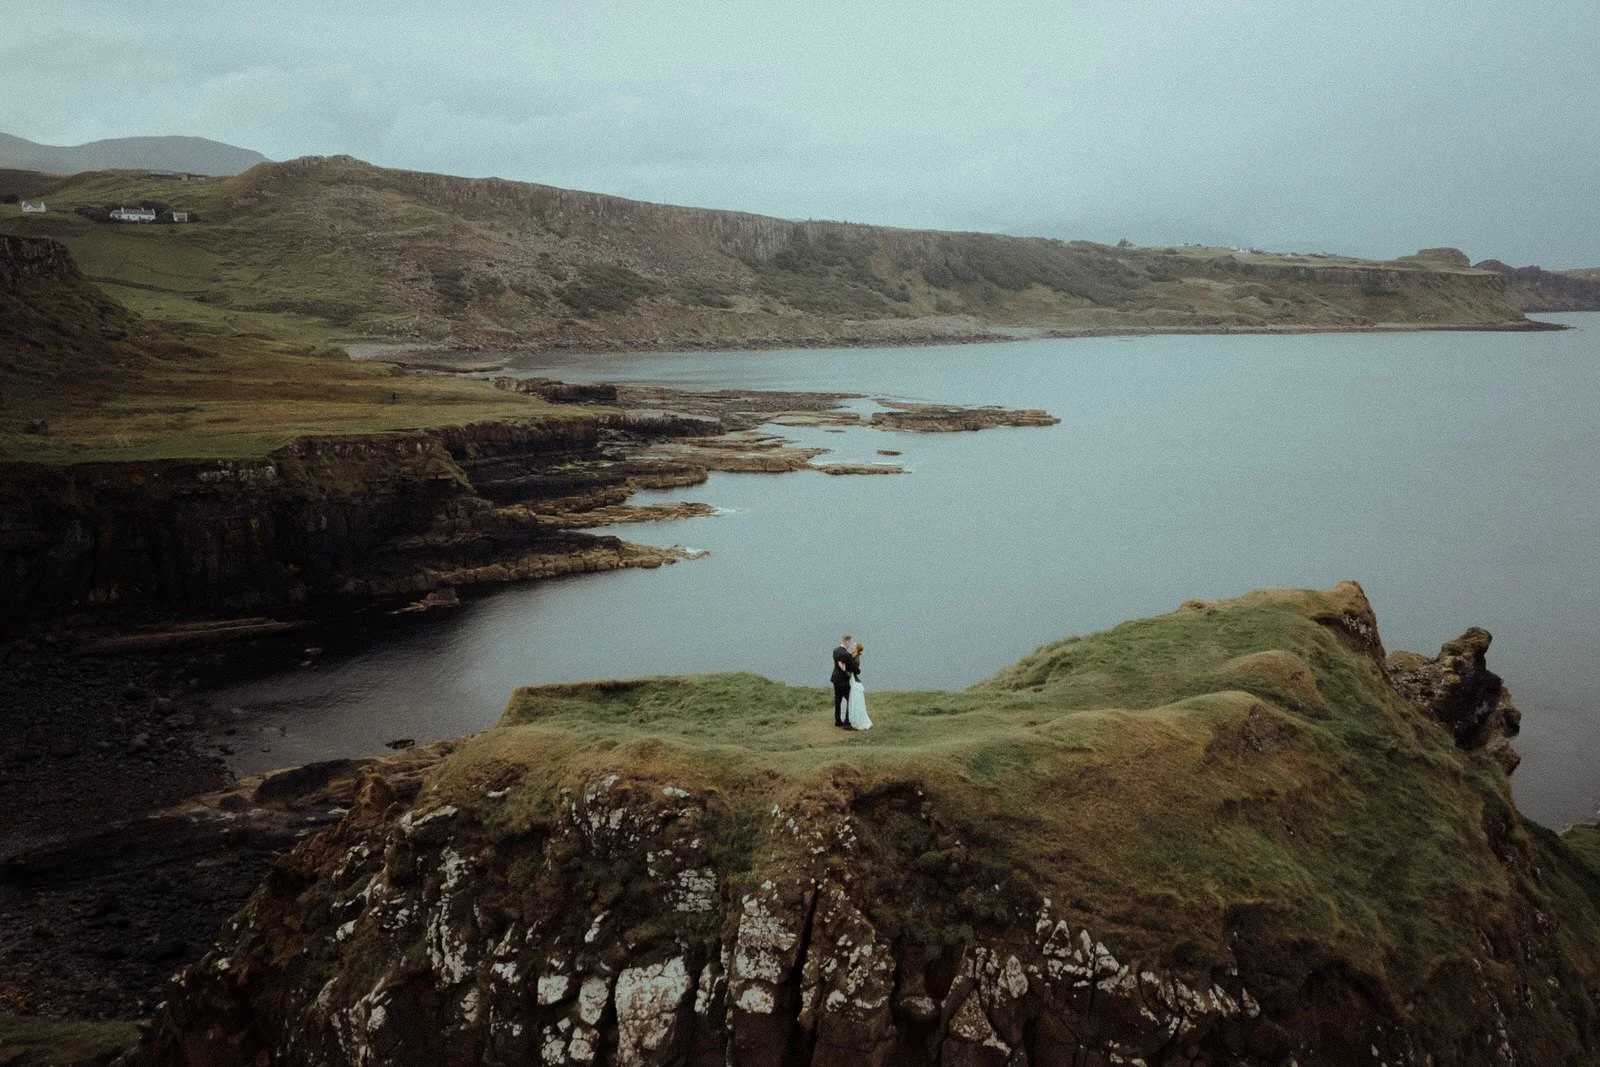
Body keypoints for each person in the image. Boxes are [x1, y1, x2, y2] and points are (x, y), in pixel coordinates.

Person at [831, 634, 857, 728]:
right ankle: (847, 722)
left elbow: (838, 664)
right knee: (850, 699)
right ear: (846, 641)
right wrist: (852, 671)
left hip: (835, 678)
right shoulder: (847, 654)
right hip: (844, 680)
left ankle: (837, 720)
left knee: (838, 699)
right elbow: (852, 668)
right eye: (849, 641)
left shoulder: (835, 651)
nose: (849, 644)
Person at [847, 641, 871, 731]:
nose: (852, 647)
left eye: (854, 646)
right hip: (852, 679)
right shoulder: (852, 657)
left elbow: (854, 670)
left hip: (854, 681)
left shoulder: (855, 659)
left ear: (857, 649)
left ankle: (856, 719)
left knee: (855, 700)